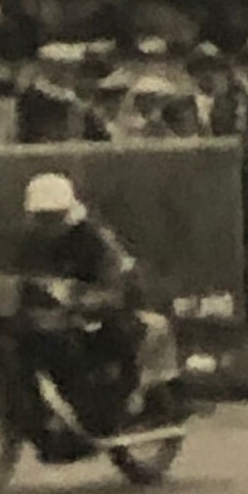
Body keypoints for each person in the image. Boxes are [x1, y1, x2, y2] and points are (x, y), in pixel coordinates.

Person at [15, 172, 148, 428]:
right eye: (41, 216)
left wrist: (83, 302)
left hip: (102, 309)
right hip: (53, 317)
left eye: (52, 216)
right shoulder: (30, 243)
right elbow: (19, 277)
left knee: (107, 337)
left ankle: (116, 401)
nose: (46, 223)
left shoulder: (95, 239)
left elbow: (116, 286)